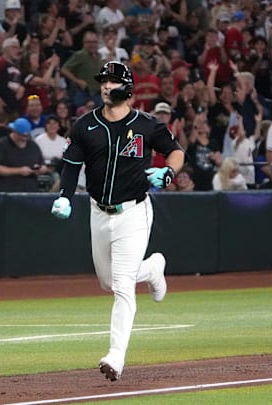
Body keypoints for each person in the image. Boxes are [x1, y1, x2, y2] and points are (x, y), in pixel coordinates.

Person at [51, 61, 184, 381]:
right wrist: (65, 196)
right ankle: (152, 268)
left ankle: (116, 356)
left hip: (134, 211)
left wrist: (168, 173)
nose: (107, 87)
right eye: (103, 82)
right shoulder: (85, 124)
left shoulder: (147, 124)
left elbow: (176, 152)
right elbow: (71, 164)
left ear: (127, 87)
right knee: (108, 282)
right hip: (99, 211)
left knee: (122, 286)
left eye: (113, 81)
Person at [0, 117, 48, 192]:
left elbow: (42, 164)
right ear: (14, 131)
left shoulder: (33, 146)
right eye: (22, 136)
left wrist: (41, 169)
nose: (24, 139)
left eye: (26, 136)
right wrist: (18, 171)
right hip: (6, 192)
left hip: (30, 191)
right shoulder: (0, 146)